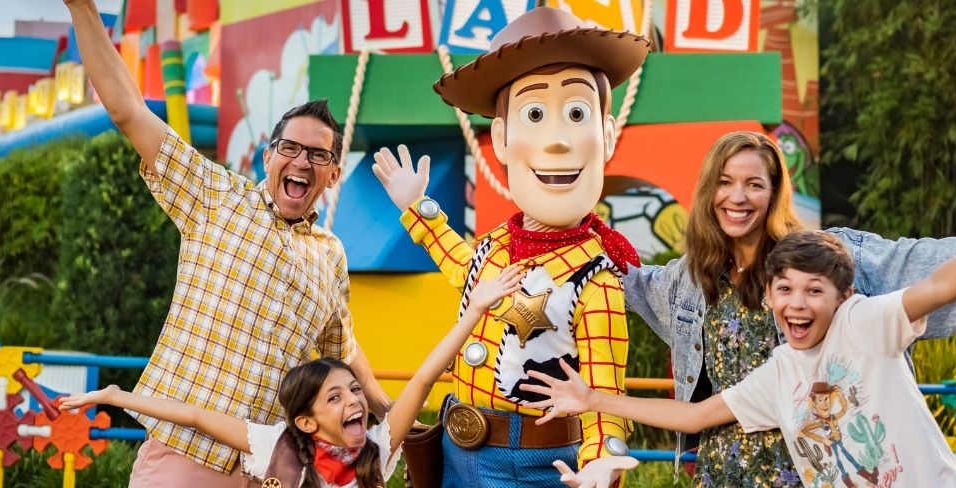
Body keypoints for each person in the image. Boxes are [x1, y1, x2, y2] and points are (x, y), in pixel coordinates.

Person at [619, 131, 956, 485]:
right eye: (725, 183)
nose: (737, 197)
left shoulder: (822, 259)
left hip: (817, 468)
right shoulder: (689, 278)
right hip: (725, 473)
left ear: (774, 192)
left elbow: (930, 268)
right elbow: (620, 283)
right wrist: (571, 240)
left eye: (754, 184)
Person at [526, 181, 956, 486]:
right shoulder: (779, 372)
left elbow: (940, 280)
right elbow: (696, 415)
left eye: (814, 291)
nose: (797, 303)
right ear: (768, 297)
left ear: (844, 295)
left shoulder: (865, 325)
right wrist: (592, 399)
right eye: (784, 290)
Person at [59, 1, 388, 485]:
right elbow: (127, 110)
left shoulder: (330, 254)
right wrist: (82, 9)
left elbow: (342, 347)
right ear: (268, 157)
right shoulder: (217, 197)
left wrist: (387, 409)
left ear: (334, 174)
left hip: (267, 468)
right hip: (181, 457)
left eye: (318, 155)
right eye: (290, 148)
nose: (302, 161)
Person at [371, 7, 649, 487]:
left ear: (605, 136)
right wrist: (418, 206)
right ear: (501, 139)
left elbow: (604, 394)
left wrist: (602, 463)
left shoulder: (596, 279)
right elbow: (463, 267)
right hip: (457, 450)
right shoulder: (497, 243)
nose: (556, 141)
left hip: (536, 464)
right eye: (534, 114)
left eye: (577, 113)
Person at [62, 266, 531, 488]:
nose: (354, 401)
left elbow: (425, 377)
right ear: (305, 422)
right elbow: (194, 416)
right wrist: (117, 395)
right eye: (334, 398)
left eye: (353, 390)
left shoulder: (377, 449)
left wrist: (475, 310)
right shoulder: (276, 446)